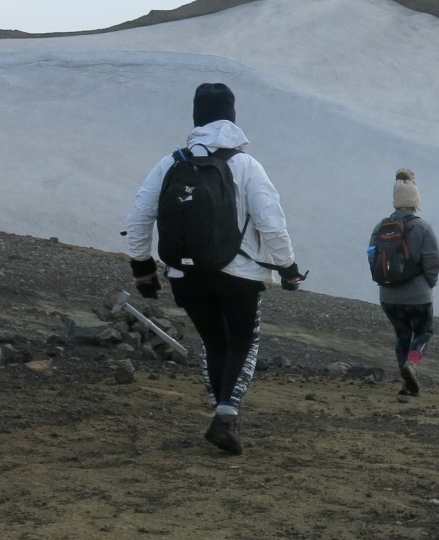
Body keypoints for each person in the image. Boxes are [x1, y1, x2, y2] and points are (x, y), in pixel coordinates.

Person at [123, 82, 304, 456]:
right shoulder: (245, 165)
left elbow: (140, 215)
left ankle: (221, 412)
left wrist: (143, 268)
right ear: (232, 117)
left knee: (213, 342)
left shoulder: (171, 163)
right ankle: (226, 415)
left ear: (196, 117)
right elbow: (271, 223)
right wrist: (288, 267)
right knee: (242, 342)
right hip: (239, 275)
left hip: (186, 276)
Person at [372, 169, 439, 396]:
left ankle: (405, 382)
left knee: (402, 334)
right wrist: (428, 284)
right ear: (415, 201)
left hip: (388, 296)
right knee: (424, 332)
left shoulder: (380, 227)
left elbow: (372, 256)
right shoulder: (422, 228)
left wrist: (384, 281)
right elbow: (433, 260)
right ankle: (411, 364)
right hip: (418, 296)